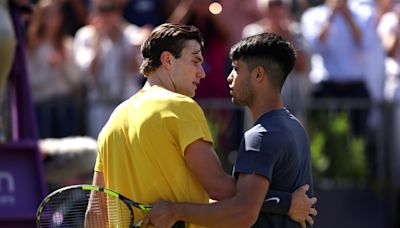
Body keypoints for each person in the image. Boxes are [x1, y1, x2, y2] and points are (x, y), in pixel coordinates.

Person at [88, 24, 316, 227]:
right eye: (195, 61)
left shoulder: (113, 120)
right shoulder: (181, 107)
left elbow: (94, 214)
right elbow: (221, 189)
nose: (202, 72)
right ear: (168, 60)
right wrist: (285, 203)